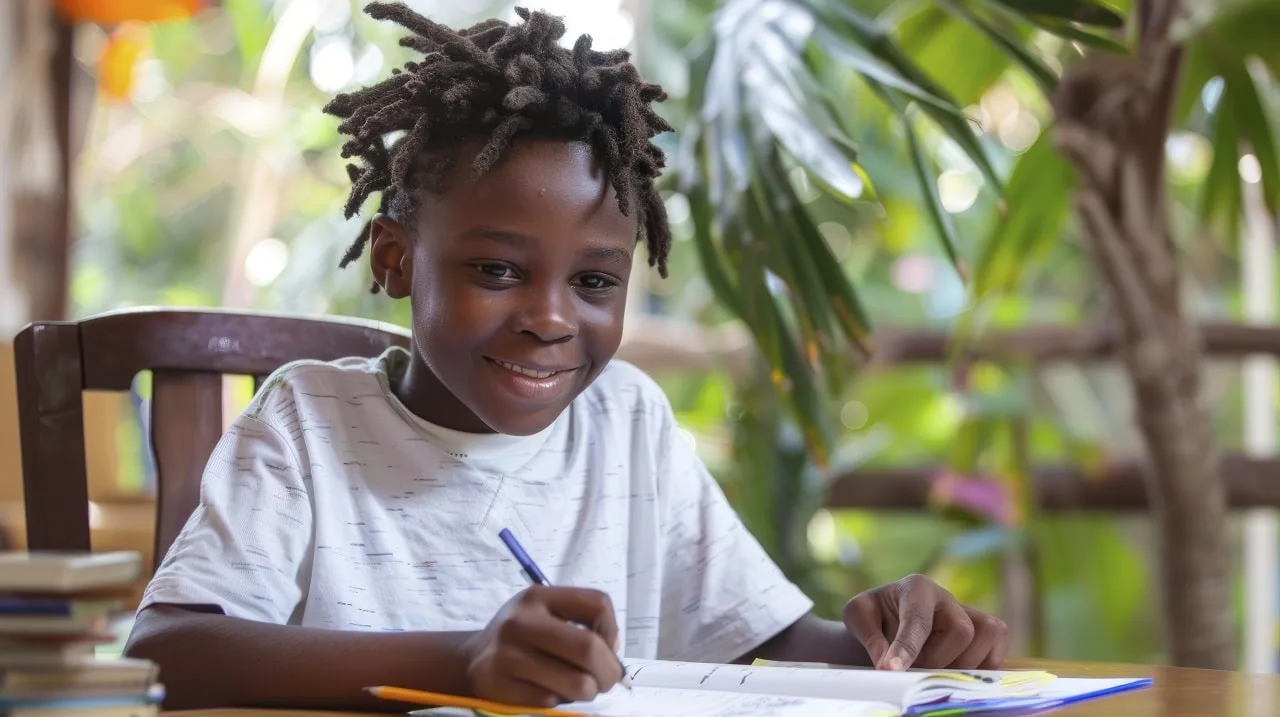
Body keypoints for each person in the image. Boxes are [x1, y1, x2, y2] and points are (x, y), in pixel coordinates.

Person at [124, 2, 1008, 710]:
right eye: (498, 269)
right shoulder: (308, 422)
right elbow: (168, 648)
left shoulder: (625, 419)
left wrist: (894, 637)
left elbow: (763, 644)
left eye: (594, 282)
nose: (550, 317)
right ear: (394, 258)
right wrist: (466, 661)